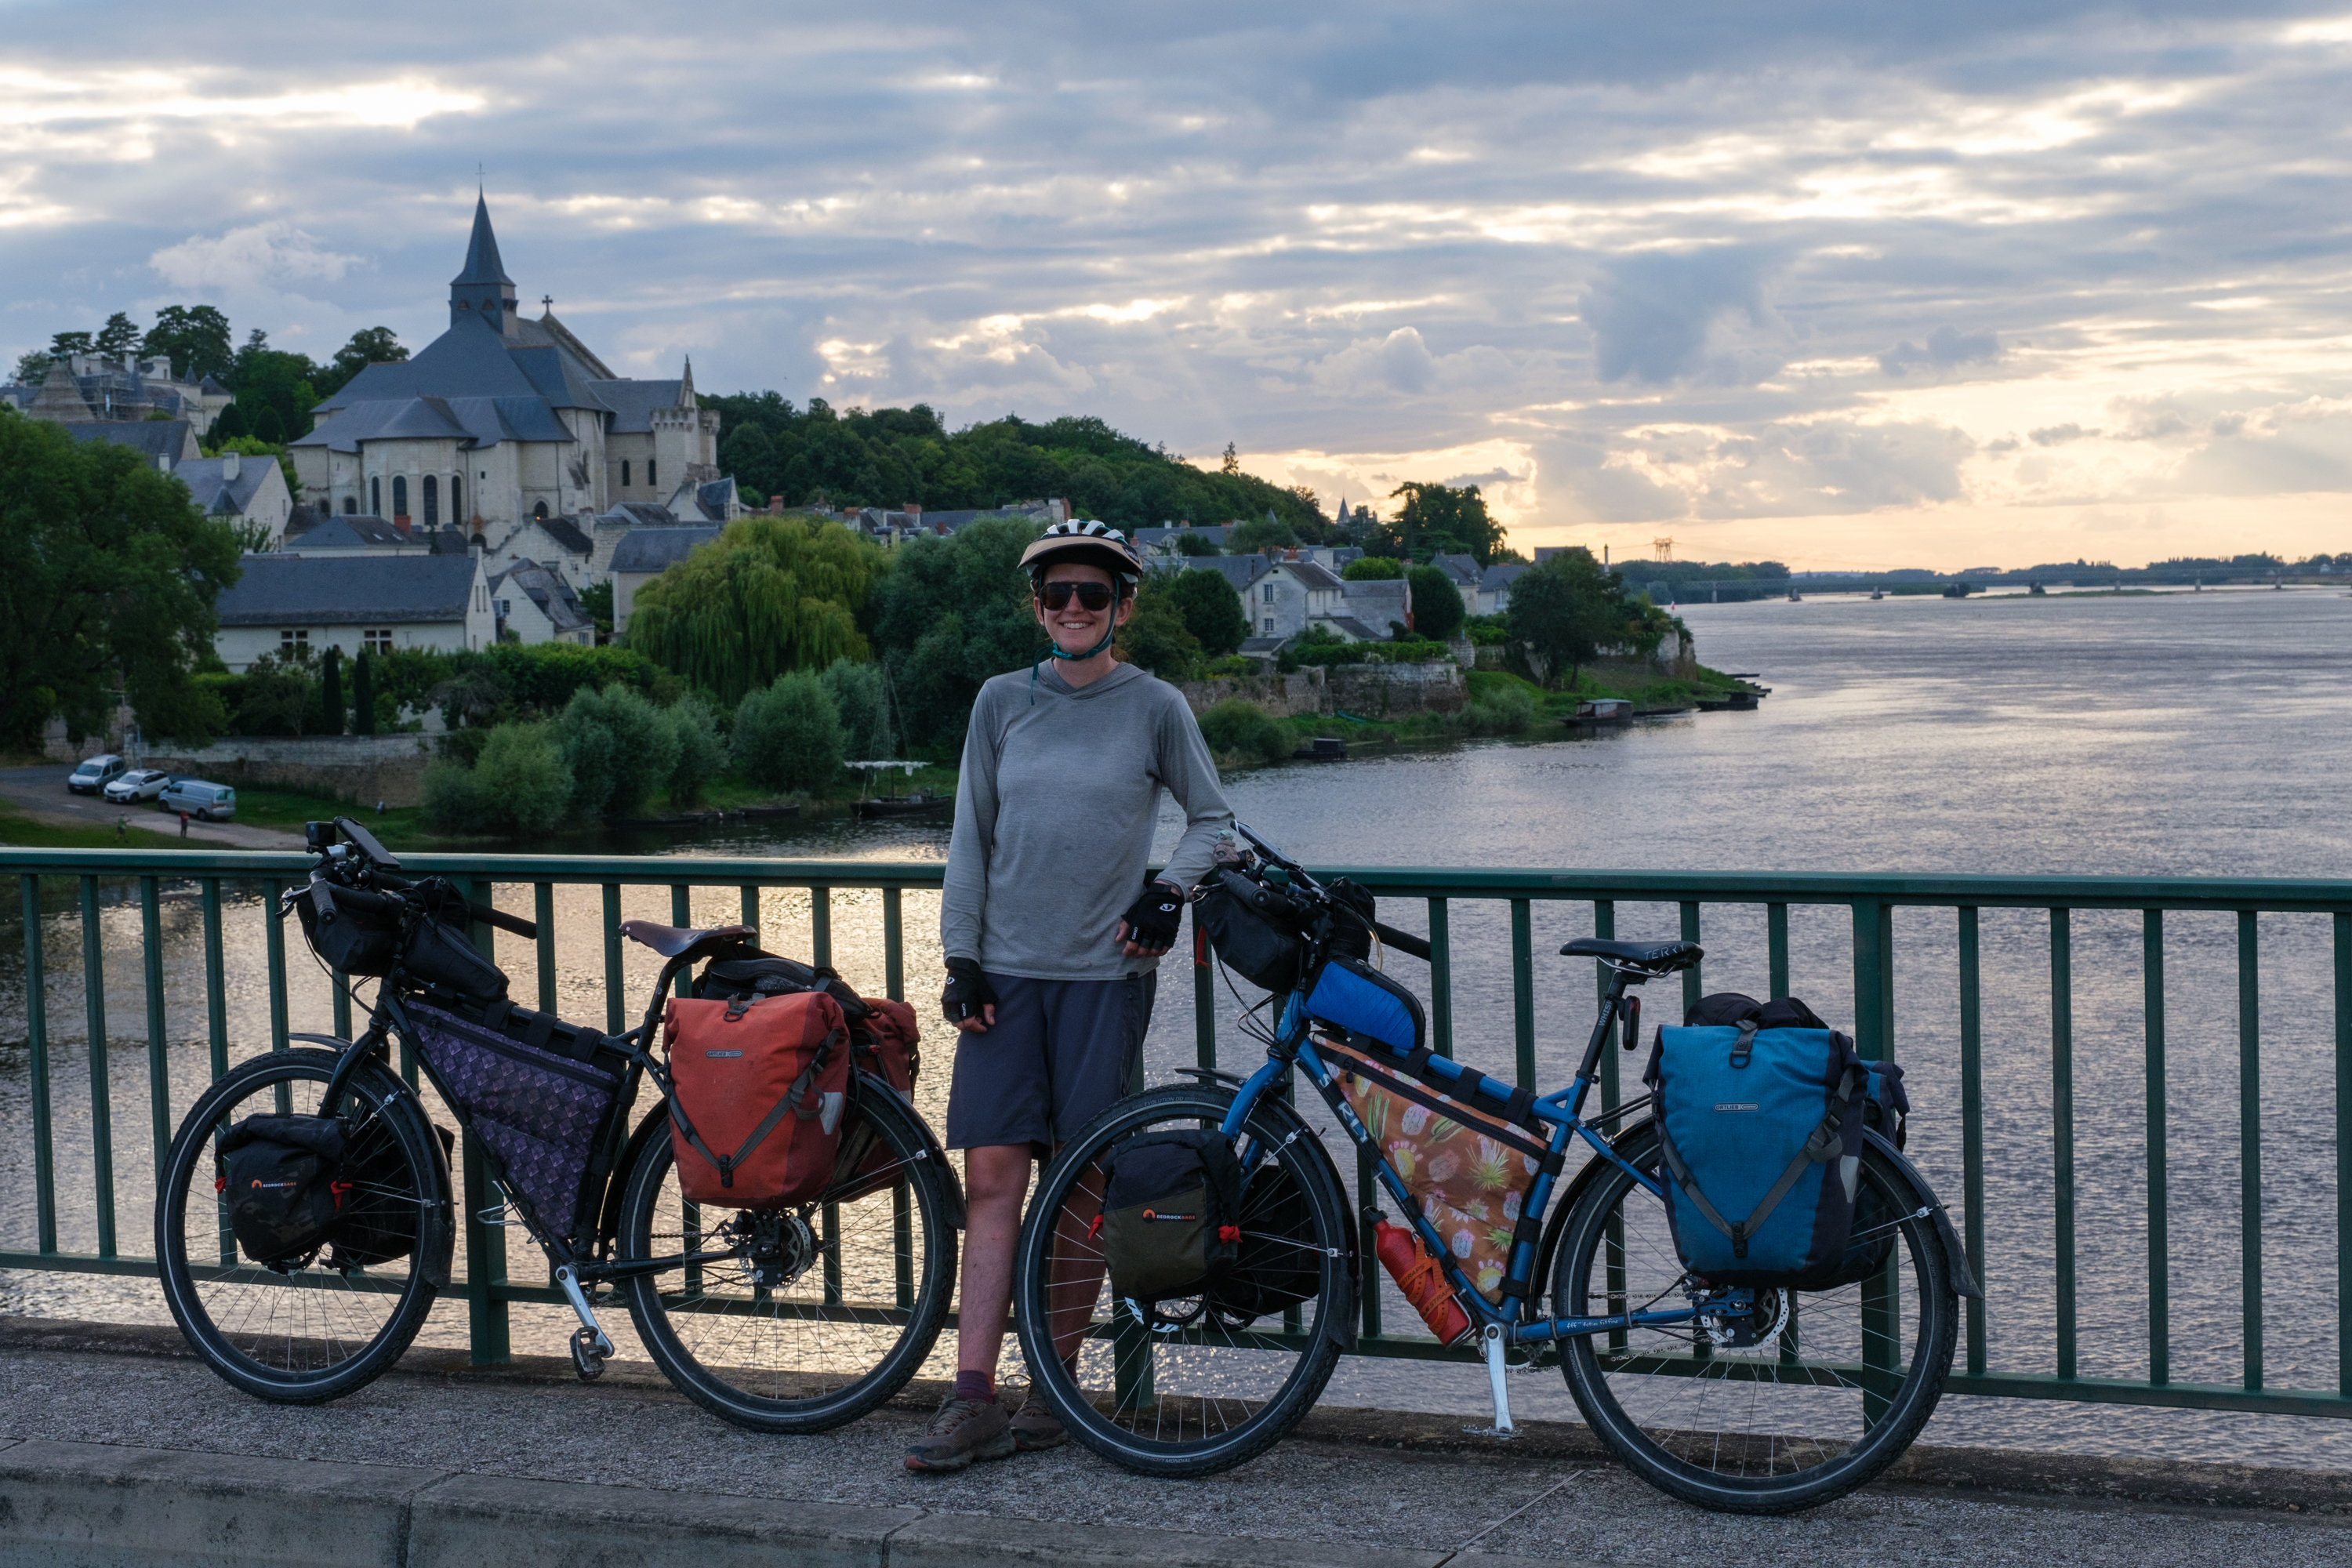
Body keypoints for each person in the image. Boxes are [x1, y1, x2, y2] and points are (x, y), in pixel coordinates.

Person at [906, 520, 1234, 1472]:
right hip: (1005, 975)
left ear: (1123, 605)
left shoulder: (1156, 705)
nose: (1075, 608)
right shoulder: (1002, 702)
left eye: (1094, 594)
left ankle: (1053, 1385)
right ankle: (973, 1398)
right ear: (1037, 607)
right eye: (1058, 595)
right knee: (996, 1179)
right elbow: (970, 833)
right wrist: (959, 956)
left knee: (1084, 1184)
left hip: (1105, 975)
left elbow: (1213, 817)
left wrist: (1166, 891)